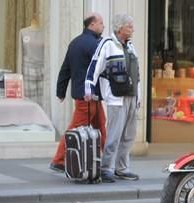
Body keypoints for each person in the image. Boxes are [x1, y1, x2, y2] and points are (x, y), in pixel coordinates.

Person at [85, 14, 141, 183]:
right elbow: (95, 65)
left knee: (129, 135)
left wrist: (138, 96)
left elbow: (136, 74)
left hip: (131, 97)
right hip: (116, 97)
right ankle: (106, 168)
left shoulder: (130, 46)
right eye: (129, 27)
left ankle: (122, 168)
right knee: (114, 134)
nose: (132, 29)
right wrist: (88, 86)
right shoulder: (107, 44)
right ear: (120, 28)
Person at [49, 13, 105, 172]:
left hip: (85, 94)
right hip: (88, 95)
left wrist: (61, 91)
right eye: (101, 23)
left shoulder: (75, 42)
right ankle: (59, 160)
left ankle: (106, 159)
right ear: (92, 25)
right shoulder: (94, 44)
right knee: (76, 127)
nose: (103, 26)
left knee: (101, 125)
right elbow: (102, 69)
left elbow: (65, 68)